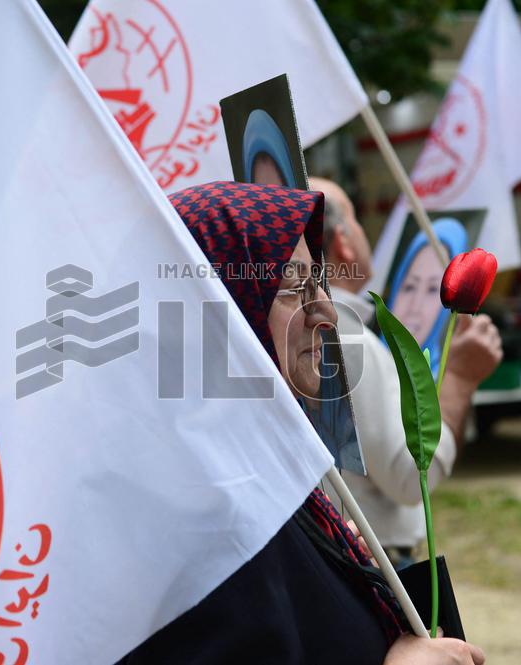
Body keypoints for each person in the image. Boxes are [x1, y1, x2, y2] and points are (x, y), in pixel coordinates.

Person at [118, 181, 486, 664]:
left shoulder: (257, 464)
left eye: (320, 284)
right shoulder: (201, 515)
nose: (326, 312)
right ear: (218, 313)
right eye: (293, 288)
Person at [311, 177, 502, 568]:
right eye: (357, 218)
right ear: (344, 241)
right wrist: (460, 380)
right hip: (373, 562)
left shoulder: (296, 327)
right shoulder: (342, 336)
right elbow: (410, 477)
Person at [387, 219, 468, 374]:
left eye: (432, 289)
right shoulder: (362, 367)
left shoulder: (446, 384)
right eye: (409, 286)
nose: (415, 307)